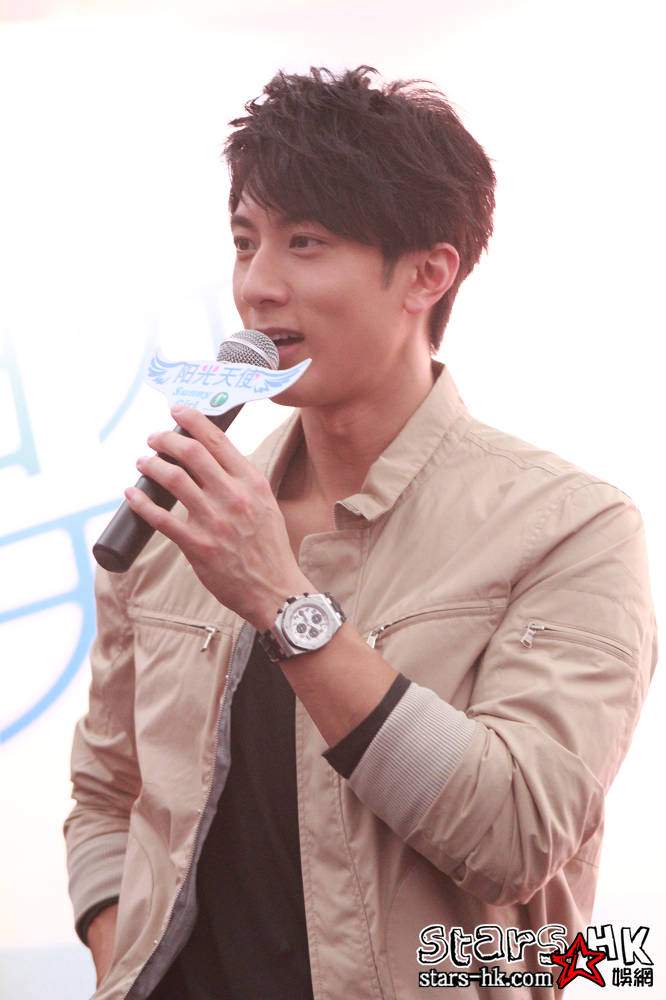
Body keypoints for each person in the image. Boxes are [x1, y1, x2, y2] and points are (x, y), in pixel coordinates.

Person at [64, 66, 657, 1000]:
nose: (258, 287)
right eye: (245, 242)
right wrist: (116, 949)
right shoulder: (180, 517)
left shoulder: (569, 527)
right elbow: (107, 792)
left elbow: (517, 836)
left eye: (305, 243)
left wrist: (284, 603)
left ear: (428, 273)